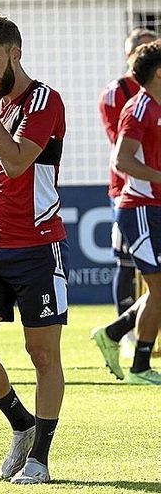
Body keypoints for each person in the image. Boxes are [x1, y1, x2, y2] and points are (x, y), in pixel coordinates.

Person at [0, 13, 68, 484]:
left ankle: (40, 458)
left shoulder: (43, 100)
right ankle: (21, 424)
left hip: (36, 246)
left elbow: (18, 164)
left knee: (42, 355)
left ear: (15, 53)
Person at [91, 28, 158, 379]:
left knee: (157, 284)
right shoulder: (129, 101)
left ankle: (116, 333)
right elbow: (124, 155)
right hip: (134, 199)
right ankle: (135, 351)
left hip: (153, 199)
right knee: (134, 269)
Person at [107, 39, 161, 385]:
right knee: (159, 289)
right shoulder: (138, 108)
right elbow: (121, 160)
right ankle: (140, 366)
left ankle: (113, 334)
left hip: (155, 207)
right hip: (139, 209)